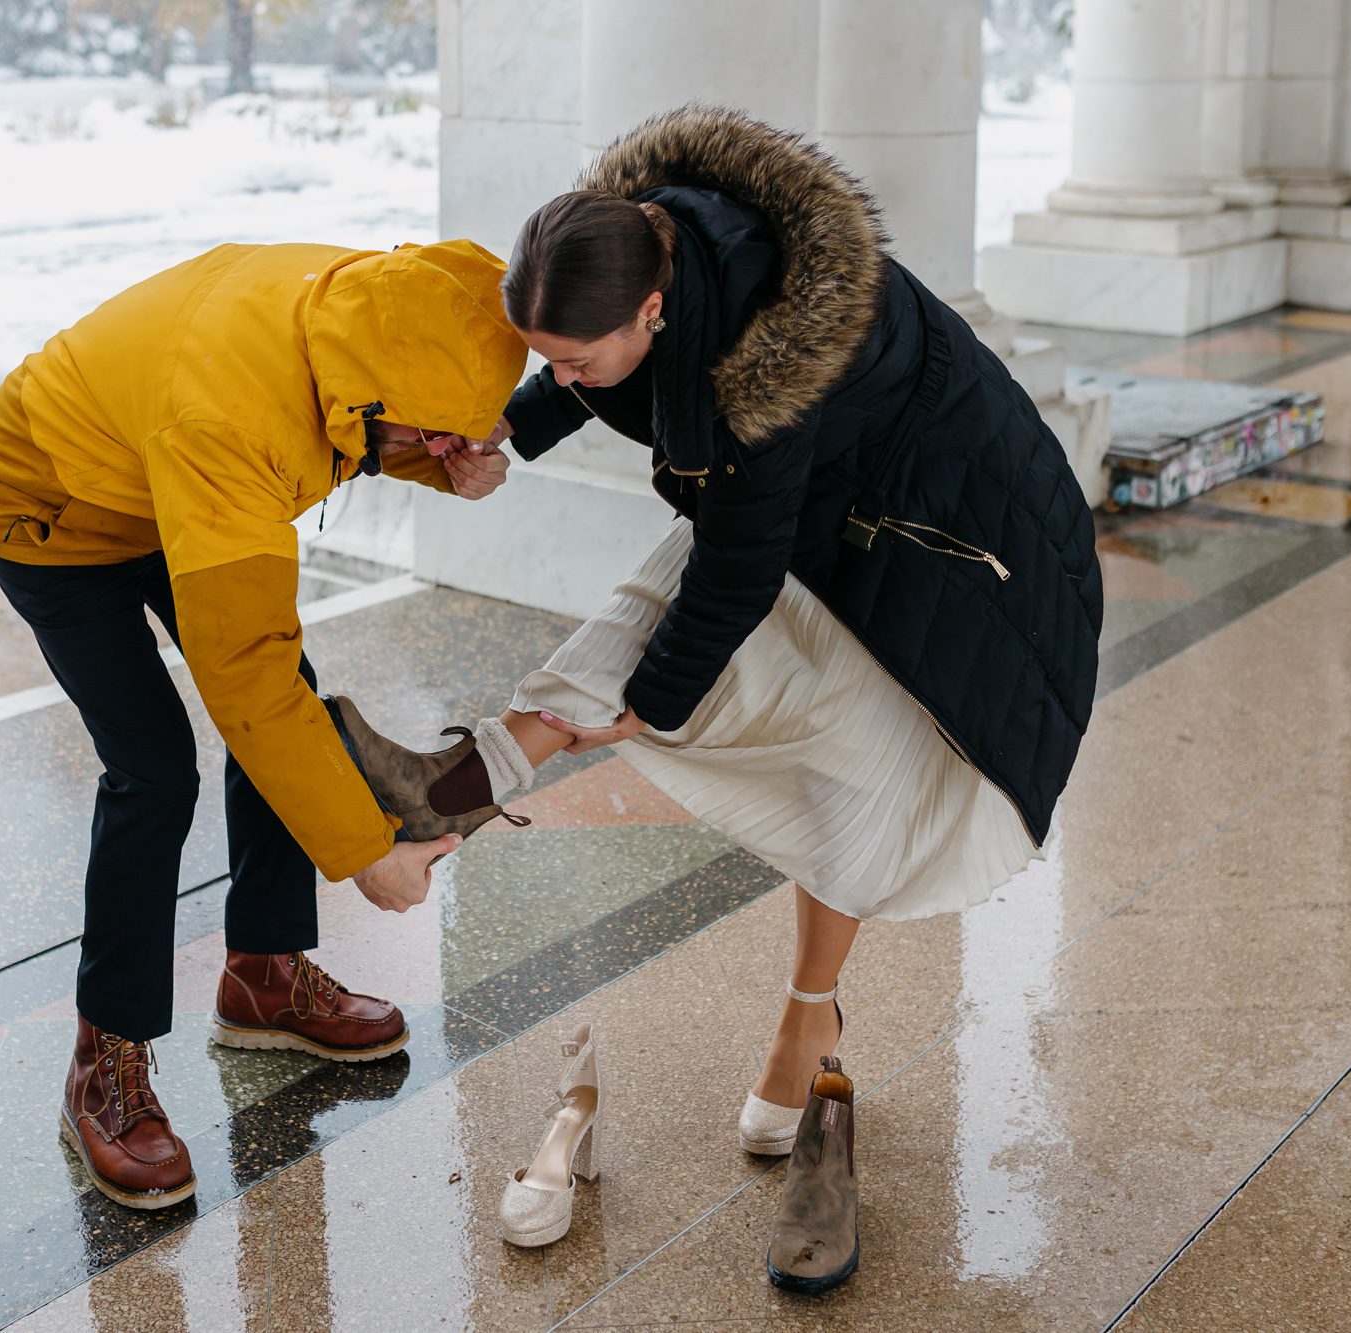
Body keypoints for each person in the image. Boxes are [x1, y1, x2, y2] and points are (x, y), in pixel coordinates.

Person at [344, 107, 1102, 1288]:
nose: (559, 374)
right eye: (542, 353)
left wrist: (646, 706)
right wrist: (498, 429)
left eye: (575, 358)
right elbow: (593, 376)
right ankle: (467, 777)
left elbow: (735, 567)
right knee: (744, 691)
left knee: (846, 770)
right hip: (835, 498)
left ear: (653, 308)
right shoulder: (635, 262)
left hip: (961, 549)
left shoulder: (768, 365)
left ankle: (797, 1016)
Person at [0, 237, 527, 1210]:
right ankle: (107, 1059)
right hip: (50, 500)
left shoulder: (368, 306)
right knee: (154, 767)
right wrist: (364, 850)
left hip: (164, 472)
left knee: (284, 696)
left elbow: (359, 422)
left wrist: (446, 460)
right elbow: (244, 677)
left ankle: (262, 974)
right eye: (434, 433)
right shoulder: (232, 411)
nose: (444, 444)